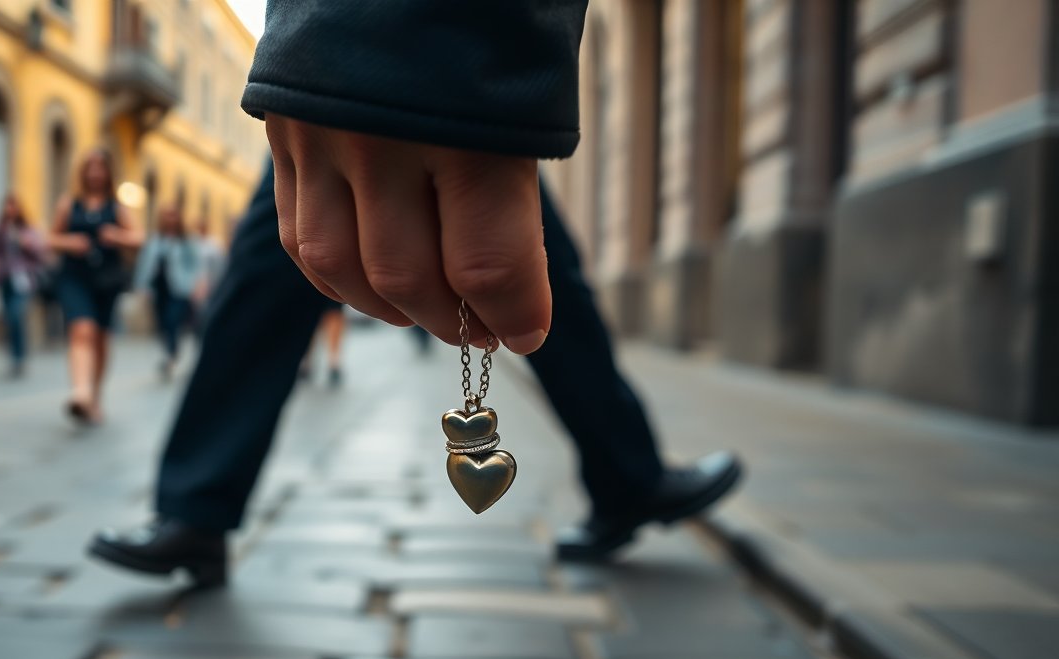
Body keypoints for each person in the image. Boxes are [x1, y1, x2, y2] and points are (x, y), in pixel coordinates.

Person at [88, 2, 742, 582]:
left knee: (530, 275)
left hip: (411, 51)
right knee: (271, 272)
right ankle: (195, 508)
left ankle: (629, 475)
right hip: (370, 58)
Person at [46, 149, 144, 423]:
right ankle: (81, 392)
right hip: (74, 277)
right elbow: (50, 239)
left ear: (107, 172)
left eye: (100, 167)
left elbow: (139, 238)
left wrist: (116, 236)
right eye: (90, 167)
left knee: (100, 338)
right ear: (83, 172)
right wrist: (71, 243)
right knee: (81, 330)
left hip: (106, 280)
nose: (95, 173)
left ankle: (94, 396)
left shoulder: (117, 207)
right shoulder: (68, 204)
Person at [0, 193, 46, 378]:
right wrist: (0, 229)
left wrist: (26, 243)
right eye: (7, 206)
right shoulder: (1, 229)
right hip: (5, 280)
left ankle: (19, 357)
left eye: (13, 206)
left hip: (24, 280)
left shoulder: (28, 229)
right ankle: (13, 357)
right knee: (8, 319)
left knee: (16, 315)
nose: (10, 210)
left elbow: (41, 252)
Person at [133, 206, 197, 378]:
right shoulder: (155, 241)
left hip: (179, 289)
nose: (170, 220)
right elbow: (144, 265)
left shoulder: (185, 241)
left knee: (172, 321)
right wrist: (141, 286)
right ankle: (170, 352)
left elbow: (195, 265)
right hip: (158, 290)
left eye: (173, 216)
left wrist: (194, 285)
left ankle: (171, 354)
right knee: (162, 323)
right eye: (167, 216)